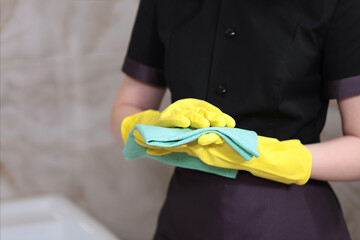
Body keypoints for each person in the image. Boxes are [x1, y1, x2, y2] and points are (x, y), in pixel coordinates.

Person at [111, 0, 360, 239]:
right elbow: (128, 106)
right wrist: (162, 130)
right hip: (184, 219)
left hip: (285, 221)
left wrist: (274, 157)